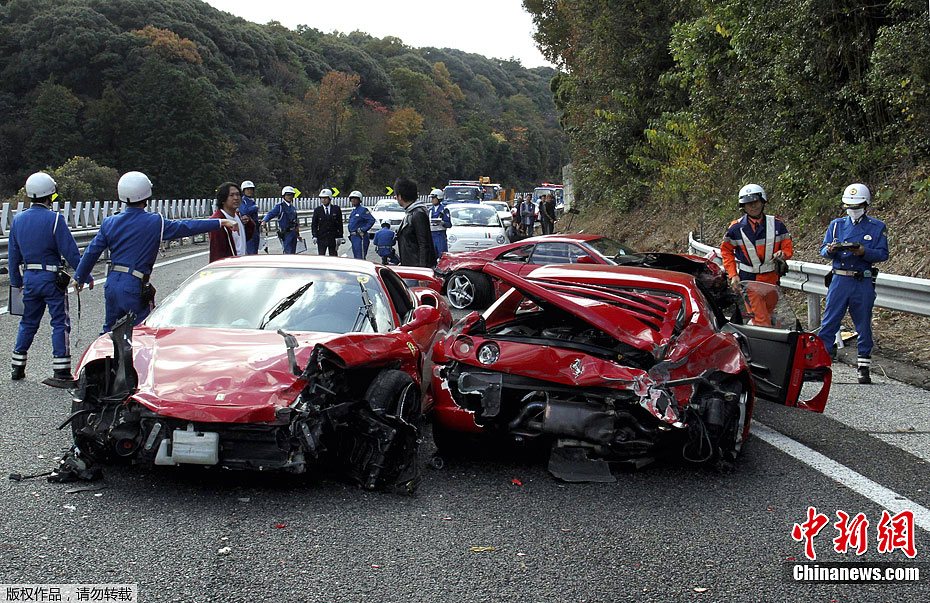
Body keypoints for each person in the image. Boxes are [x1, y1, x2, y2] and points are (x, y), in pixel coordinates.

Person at [74, 171, 234, 333]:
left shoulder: (109, 222)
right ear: (147, 195)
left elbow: (92, 251)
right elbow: (186, 226)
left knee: (109, 332)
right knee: (142, 332)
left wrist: (80, 277)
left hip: (112, 282)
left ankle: (103, 357)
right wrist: (220, 222)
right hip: (134, 284)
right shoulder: (154, 222)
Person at [7, 172, 87, 383]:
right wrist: (83, 275)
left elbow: (13, 257)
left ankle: (17, 365)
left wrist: (16, 283)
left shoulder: (18, 220)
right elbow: (70, 251)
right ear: (50, 195)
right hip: (51, 278)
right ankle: (61, 369)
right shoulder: (55, 219)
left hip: (30, 279)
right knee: (60, 322)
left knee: (28, 322)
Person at [817, 183, 889, 384]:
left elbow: (883, 253)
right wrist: (830, 250)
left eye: (857, 207)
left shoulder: (877, 227)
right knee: (830, 321)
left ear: (866, 205)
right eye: (849, 207)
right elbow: (823, 250)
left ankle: (863, 366)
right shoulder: (837, 225)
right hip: (839, 278)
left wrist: (864, 252)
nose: (853, 211)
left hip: (861, 279)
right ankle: (821, 363)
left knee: (863, 323)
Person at [720, 184, 793, 326]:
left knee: (770, 315)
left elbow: (787, 247)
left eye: (755, 202)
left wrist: (783, 254)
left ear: (762, 202)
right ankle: (765, 346)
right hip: (749, 280)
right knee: (762, 321)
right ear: (743, 207)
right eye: (748, 204)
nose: (753, 207)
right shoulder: (735, 228)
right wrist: (733, 275)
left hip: (772, 278)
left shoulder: (777, 225)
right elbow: (726, 251)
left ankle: (754, 337)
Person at [395, 177, 436, 267]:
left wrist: (422, 271)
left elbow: (424, 244)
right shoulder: (410, 213)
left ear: (400, 196)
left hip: (416, 268)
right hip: (410, 265)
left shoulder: (418, 214)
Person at [210, 182, 255, 262]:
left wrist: (248, 223)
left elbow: (244, 239)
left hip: (242, 264)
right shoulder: (218, 221)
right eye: (231, 195)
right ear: (223, 199)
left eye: (238, 195)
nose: (236, 198)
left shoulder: (238, 216)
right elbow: (217, 252)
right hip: (229, 267)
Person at [263, 186, 300, 254]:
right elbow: (271, 214)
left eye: (291, 195)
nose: (290, 196)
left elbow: (295, 222)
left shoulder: (293, 208)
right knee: (287, 252)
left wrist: (298, 234)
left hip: (293, 233)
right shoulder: (280, 206)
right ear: (284, 196)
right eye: (288, 195)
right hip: (285, 234)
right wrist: (264, 221)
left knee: (293, 253)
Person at [311, 188, 345, 256]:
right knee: (321, 256)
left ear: (329, 198)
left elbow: (340, 224)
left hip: (333, 237)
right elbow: (314, 224)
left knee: (333, 255)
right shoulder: (318, 210)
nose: (323, 200)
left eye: (325, 198)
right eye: (322, 198)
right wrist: (314, 235)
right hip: (321, 237)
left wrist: (340, 236)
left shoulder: (336, 209)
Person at [346, 190, 375, 260]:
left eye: (355, 199)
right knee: (356, 257)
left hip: (360, 237)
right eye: (352, 199)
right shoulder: (353, 211)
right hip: (353, 237)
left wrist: (363, 229)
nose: (353, 200)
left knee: (360, 257)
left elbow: (371, 220)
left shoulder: (363, 210)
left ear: (359, 200)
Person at [427, 188, 452, 257]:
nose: (432, 200)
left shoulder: (444, 210)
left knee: (442, 255)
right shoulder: (430, 210)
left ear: (438, 198)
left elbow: (449, 224)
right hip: (431, 234)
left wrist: (442, 223)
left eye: (433, 198)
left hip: (440, 235)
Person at [239, 180, 260, 255]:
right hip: (248, 227)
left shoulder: (252, 200)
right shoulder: (242, 200)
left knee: (255, 249)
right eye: (247, 189)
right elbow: (244, 211)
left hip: (255, 227)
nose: (250, 191)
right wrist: (255, 207)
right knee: (250, 250)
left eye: (251, 189)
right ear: (243, 190)